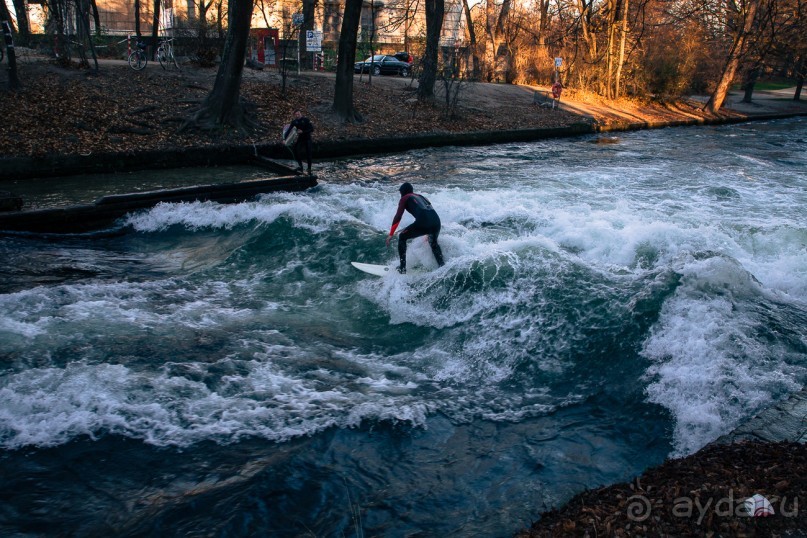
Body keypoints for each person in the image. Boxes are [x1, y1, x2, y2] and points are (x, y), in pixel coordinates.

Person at [386, 182, 445, 274]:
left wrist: (391, 234)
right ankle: (442, 266)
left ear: (403, 192)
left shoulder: (405, 198)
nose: (400, 195)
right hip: (436, 222)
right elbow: (428, 213)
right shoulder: (422, 197)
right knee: (433, 243)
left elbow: (398, 216)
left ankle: (402, 268)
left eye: (400, 193)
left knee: (402, 237)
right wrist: (427, 231)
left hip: (424, 222)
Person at [289, 110, 314, 174]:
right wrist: (284, 139)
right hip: (300, 138)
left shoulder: (306, 120)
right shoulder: (294, 122)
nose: (297, 116)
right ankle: (301, 167)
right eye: (296, 115)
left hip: (307, 138)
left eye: (298, 114)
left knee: (309, 154)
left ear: (301, 114)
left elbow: (312, 129)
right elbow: (288, 130)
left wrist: (303, 131)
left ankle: (309, 169)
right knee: (295, 151)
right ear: (294, 115)